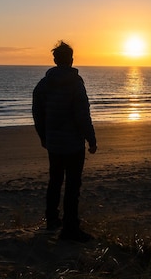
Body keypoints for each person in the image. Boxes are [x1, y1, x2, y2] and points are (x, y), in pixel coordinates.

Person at [32, 40, 97, 241]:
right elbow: (82, 115)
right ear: (71, 59)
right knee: (72, 186)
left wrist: (44, 136)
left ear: (55, 59)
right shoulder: (76, 84)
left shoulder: (43, 85)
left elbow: (38, 114)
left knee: (55, 181)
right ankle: (70, 228)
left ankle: (52, 220)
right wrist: (91, 139)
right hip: (73, 144)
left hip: (54, 143)